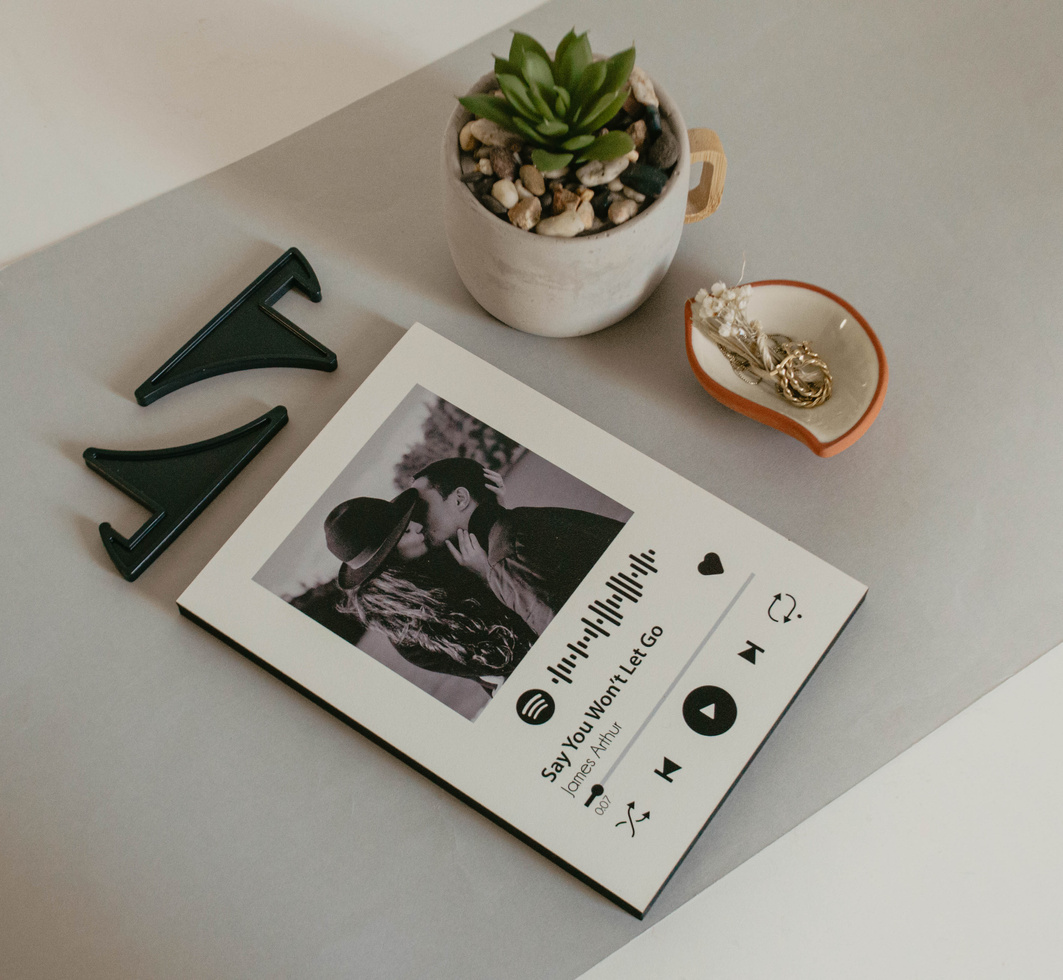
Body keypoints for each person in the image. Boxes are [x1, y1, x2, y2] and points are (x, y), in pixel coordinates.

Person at [294, 482, 534, 694]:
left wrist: (496, 514)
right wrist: (486, 575)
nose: (419, 525)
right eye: (405, 531)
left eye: (408, 521)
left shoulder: (444, 553)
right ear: (388, 562)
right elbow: (498, 667)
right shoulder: (409, 637)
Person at [411, 458, 625, 636]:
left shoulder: (504, 558)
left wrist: (492, 577)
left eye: (421, 507)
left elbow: (570, 638)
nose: (416, 522)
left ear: (460, 499)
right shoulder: (521, 520)